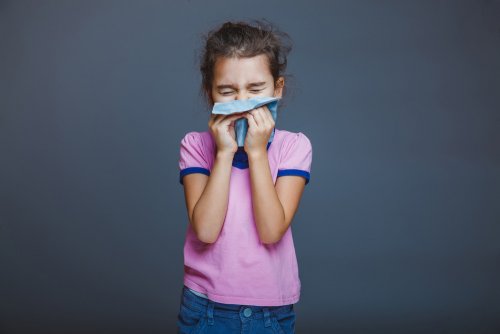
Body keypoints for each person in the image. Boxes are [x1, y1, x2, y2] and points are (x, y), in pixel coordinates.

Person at [176, 19, 312, 334]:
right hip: (204, 306)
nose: (242, 102)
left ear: (277, 88)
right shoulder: (195, 146)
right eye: (227, 91)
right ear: (210, 93)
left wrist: (257, 152)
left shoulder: (294, 147)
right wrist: (223, 153)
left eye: (255, 90)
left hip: (270, 311)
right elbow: (206, 231)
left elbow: (271, 231)